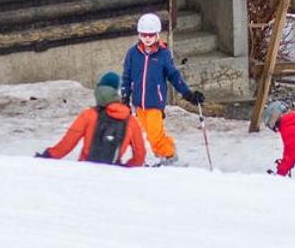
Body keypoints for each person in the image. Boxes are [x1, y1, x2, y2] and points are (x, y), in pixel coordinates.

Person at [122, 13, 204, 166]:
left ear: (157, 35)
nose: (147, 38)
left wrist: (188, 94)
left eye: (151, 35)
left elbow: (173, 75)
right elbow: (126, 76)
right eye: (143, 35)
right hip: (139, 103)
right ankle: (165, 153)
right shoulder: (132, 54)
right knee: (152, 134)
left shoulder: (163, 55)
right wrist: (125, 97)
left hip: (155, 103)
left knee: (154, 135)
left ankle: (170, 156)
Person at [38, 71, 148, 166]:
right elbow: (140, 156)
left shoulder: (89, 115)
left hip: (86, 171)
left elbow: (67, 145)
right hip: (114, 174)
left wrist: (47, 156)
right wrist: (124, 168)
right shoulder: (130, 121)